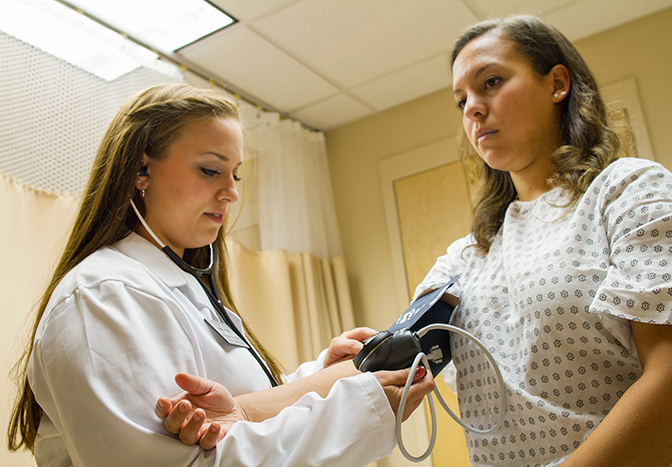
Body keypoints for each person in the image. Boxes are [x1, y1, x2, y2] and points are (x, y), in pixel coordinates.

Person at [159, 15, 672, 467]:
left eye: (491, 83)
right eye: (461, 98)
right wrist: (244, 411)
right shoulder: (468, 257)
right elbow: (382, 363)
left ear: (558, 84)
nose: (472, 109)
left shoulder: (628, 192)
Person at [5, 83, 434, 467]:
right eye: (211, 170)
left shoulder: (189, 290)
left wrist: (323, 375)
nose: (231, 191)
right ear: (141, 171)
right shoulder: (100, 297)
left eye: (236, 174)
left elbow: (237, 418)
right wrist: (356, 406)